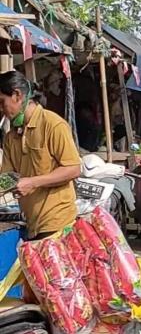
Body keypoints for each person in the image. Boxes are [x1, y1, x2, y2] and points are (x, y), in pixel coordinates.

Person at [0, 71, 81, 240]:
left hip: (58, 224)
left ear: (17, 95)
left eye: (2, 103)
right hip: (31, 224)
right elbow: (7, 178)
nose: (1, 110)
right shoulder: (11, 136)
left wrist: (33, 182)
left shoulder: (53, 124)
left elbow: (73, 168)